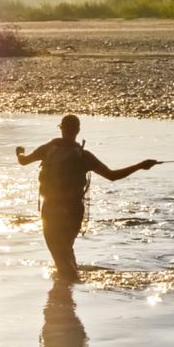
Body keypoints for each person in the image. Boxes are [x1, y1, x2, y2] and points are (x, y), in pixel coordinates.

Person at [16, 114, 157, 280]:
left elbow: (23, 161)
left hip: (51, 209)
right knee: (66, 250)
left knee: (59, 254)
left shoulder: (48, 149)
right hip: (74, 210)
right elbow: (112, 176)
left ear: (61, 128)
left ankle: (67, 291)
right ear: (78, 131)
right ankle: (70, 291)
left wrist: (19, 152)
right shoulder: (84, 156)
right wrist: (140, 165)